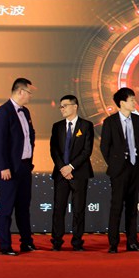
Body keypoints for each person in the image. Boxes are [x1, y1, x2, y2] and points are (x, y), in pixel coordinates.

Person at [0, 78, 36, 256]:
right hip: (8, 169)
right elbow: (0, 142)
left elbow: (29, 137)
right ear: (20, 92)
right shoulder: (3, 112)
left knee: (24, 207)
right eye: (29, 93)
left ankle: (27, 242)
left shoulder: (25, 111)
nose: (31, 96)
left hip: (24, 166)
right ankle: (5, 246)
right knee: (6, 208)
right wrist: (4, 167)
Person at [100, 87, 139, 254]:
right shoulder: (110, 121)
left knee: (132, 207)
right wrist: (115, 164)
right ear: (122, 103)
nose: (134, 103)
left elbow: (138, 143)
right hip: (119, 170)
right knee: (117, 206)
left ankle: (132, 242)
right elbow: (104, 147)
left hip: (135, 167)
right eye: (132, 100)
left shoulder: (137, 119)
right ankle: (113, 243)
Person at [50, 95, 94, 252]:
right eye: (61, 106)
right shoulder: (57, 126)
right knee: (59, 209)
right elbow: (54, 150)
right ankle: (56, 242)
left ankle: (77, 242)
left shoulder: (86, 125)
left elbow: (87, 151)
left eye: (65, 106)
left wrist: (71, 167)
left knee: (78, 209)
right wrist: (63, 168)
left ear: (75, 106)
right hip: (61, 174)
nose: (62, 109)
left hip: (79, 173)